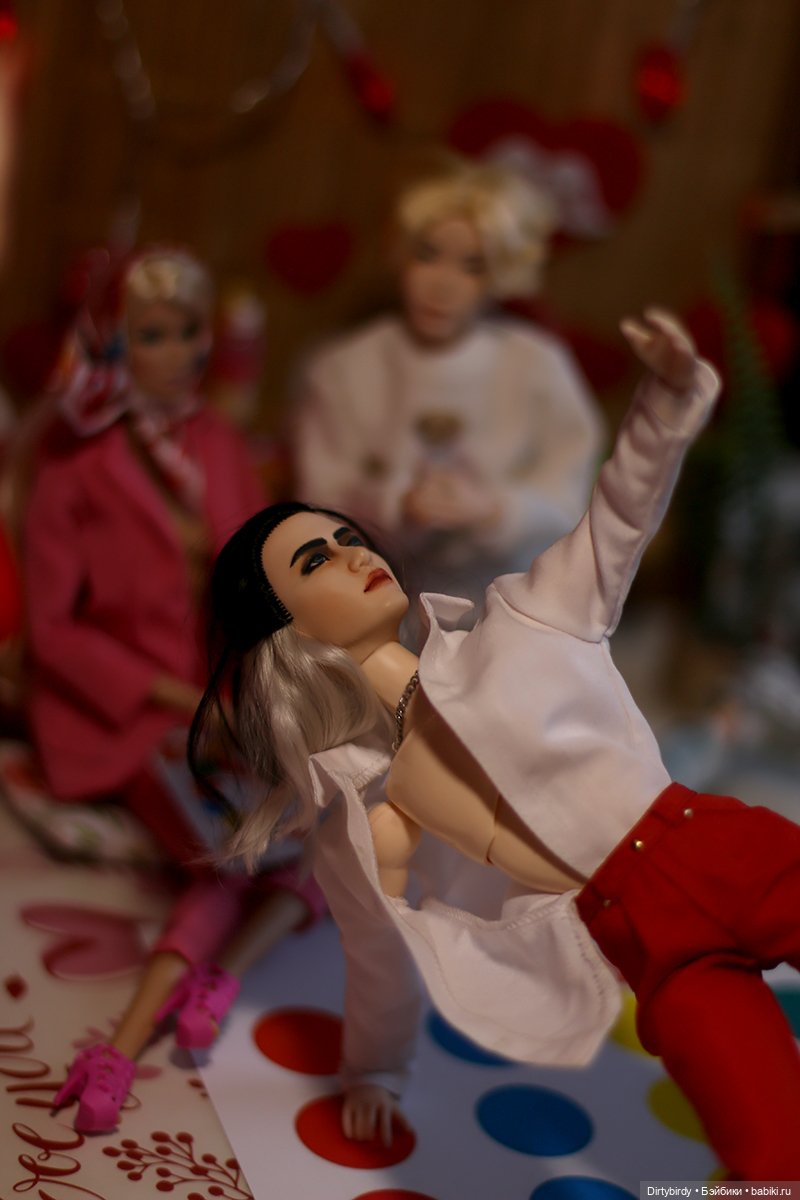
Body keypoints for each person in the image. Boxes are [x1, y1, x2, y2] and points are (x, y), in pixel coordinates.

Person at [190, 309, 800, 1179]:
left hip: (715, 845)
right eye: (315, 562)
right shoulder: (379, 812)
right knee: (771, 1161)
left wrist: (662, 405)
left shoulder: (523, 620)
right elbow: (380, 958)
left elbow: (617, 519)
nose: (352, 553)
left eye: (347, 536)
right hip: (648, 943)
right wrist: (375, 1069)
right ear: (289, 633)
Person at [20, 247, 323, 1133]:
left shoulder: (217, 441)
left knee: (320, 812)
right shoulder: (71, 466)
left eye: (192, 330)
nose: (182, 352)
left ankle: (217, 977)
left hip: (221, 683)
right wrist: (173, 695)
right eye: (154, 334)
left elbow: (256, 564)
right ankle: (123, 1044)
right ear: (111, 345)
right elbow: (53, 633)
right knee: (231, 841)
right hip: (119, 708)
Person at [289, 158, 604, 624]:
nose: (443, 284)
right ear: (400, 255)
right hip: (377, 603)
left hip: (508, 605)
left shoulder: (536, 366)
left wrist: (496, 510)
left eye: (472, 266)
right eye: (427, 255)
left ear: (500, 275)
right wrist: (396, 507)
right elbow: (320, 498)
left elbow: (571, 492)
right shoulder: (345, 368)